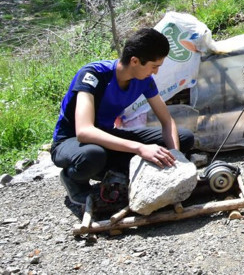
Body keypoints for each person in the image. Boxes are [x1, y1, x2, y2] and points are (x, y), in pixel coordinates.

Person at [51, 28, 195, 206]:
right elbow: (84, 132)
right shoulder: (93, 75)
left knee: (184, 137)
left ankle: (112, 170)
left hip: (105, 137)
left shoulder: (145, 80)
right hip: (71, 141)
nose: (156, 72)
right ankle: (73, 177)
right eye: (154, 66)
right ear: (135, 61)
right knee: (92, 155)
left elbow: (167, 121)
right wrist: (140, 148)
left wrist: (175, 156)